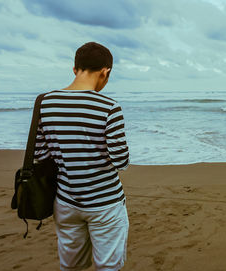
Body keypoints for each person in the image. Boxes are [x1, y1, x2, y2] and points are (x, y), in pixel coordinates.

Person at [33, 41, 130, 271]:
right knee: (108, 267)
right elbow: (121, 161)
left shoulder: (45, 103)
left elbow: (41, 154)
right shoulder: (109, 107)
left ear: (75, 69)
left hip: (65, 201)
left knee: (71, 267)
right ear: (105, 71)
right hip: (105, 203)